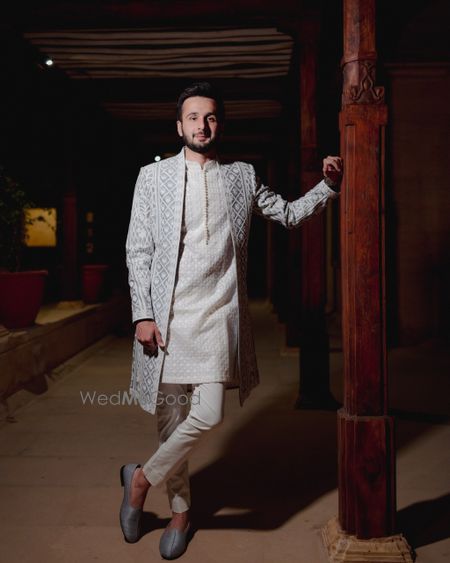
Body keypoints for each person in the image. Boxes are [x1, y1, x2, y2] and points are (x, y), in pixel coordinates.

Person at [122, 81, 343, 559]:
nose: (203, 125)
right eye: (194, 117)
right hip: (167, 319)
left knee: (207, 414)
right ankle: (181, 511)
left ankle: (139, 480)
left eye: (212, 117)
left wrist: (328, 187)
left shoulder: (242, 176)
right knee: (170, 422)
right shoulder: (152, 178)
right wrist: (142, 314)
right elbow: (137, 250)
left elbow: (285, 214)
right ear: (179, 125)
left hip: (218, 316)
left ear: (220, 124)